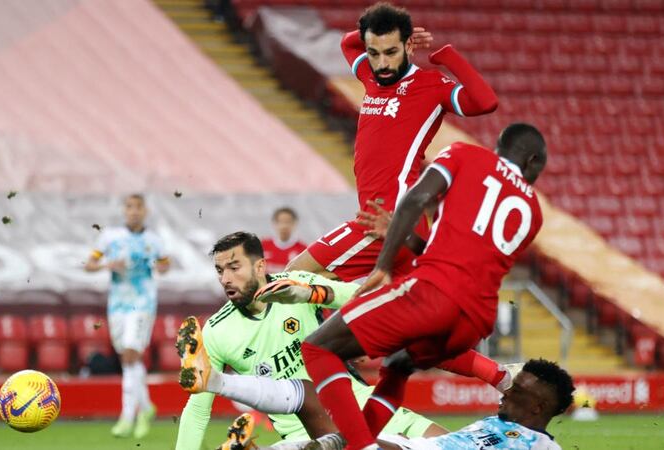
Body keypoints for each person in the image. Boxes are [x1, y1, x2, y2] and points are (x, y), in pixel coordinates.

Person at [301, 123, 548, 450]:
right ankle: (355, 443)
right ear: (532, 161)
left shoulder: (464, 154)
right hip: (473, 324)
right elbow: (463, 258)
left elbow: (415, 197)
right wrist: (405, 235)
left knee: (318, 348)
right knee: (398, 366)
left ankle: (360, 447)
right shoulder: (533, 213)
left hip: (431, 293)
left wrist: (384, 263)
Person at [174, 232, 450, 450]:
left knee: (453, 444)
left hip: (361, 403)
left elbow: (359, 297)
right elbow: (197, 410)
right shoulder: (216, 331)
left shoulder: (295, 284)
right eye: (220, 271)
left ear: (260, 266)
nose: (226, 279)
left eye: (234, 268)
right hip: (304, 431)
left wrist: (312, 293)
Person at [287, 2, 498, 282]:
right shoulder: (371, 77)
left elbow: (486, 102)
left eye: (391, 52)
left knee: (291, 278)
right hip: (385, 221)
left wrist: (447, 57)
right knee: (330, 294)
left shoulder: (431, 86)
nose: (383, 63)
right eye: (374, 53)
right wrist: (366, 35)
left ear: (409, 47)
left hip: (389, 220)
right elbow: (348, 44)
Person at [219, 359, 574, 450]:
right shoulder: (497, 423)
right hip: (408, 446)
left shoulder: (542, 446)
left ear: (539, 407)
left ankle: (214, 381)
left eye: (517, 391)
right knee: (322, 436)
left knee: (312, 402)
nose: (505, 393)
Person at [84, 194, 170, 438]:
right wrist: (106, 266)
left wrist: (161, 266)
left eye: (138, 207)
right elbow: (89, 264)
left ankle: (126, 416)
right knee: (127, 358)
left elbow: (165, 265)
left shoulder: (154, 240)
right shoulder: (110, 237)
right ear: (124, 210)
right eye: (130, 207)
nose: (134, 212)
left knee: (131, 354)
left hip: (143, 302)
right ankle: (145, 407)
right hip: (118, 304)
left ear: (146, 211)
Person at [262, 207, 306, 274]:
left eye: (288, 222)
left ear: (294, 224)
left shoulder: (303, 250)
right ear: (274, 224)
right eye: (280, 222)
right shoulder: (263, 245)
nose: (284, 226)